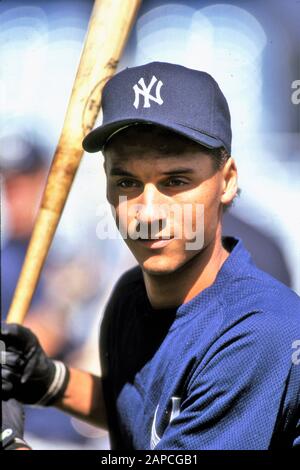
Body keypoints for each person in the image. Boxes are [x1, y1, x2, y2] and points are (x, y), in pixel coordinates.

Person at [1, 62, 300, 450]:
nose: (147, 212)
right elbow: (144, 421)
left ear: (227, 182)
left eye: (175, 181)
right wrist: (51, 381)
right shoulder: (131, 297)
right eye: (127, 182)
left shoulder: (260, 331)